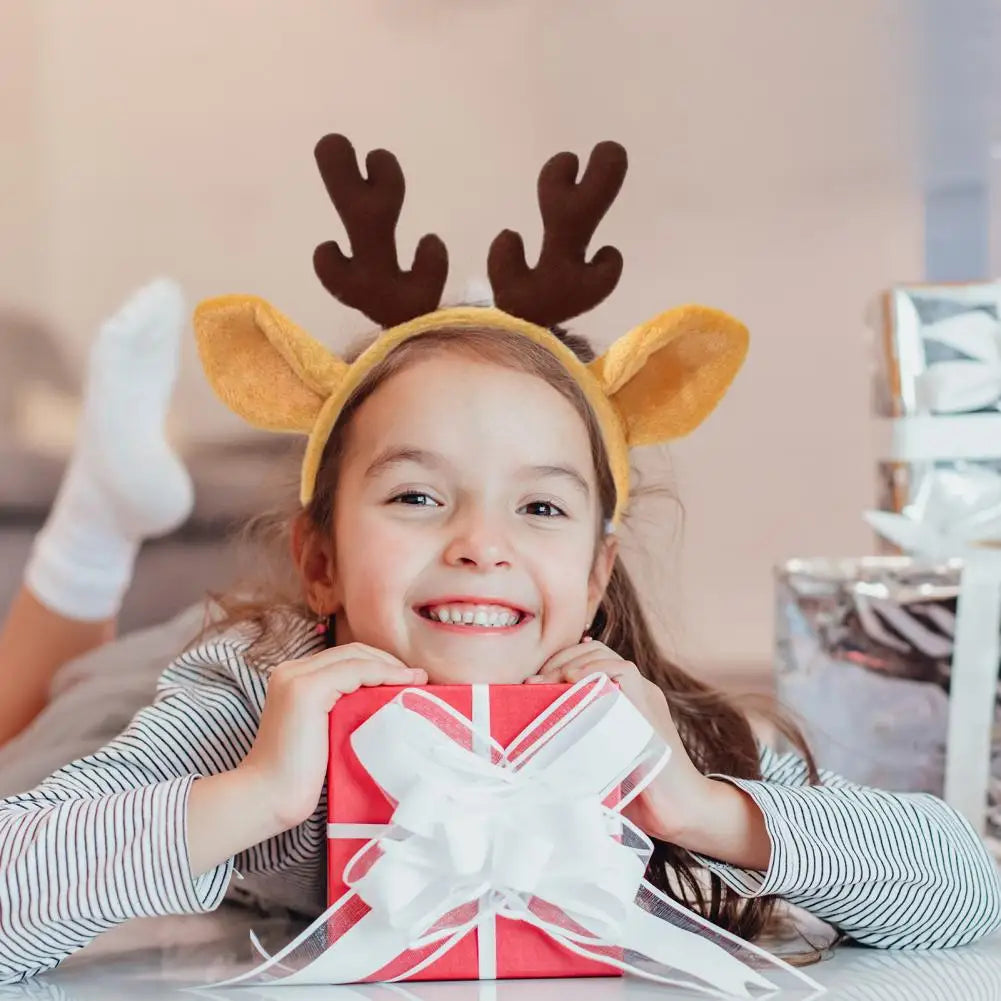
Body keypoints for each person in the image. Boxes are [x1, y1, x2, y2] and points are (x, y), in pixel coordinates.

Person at [1, 136, 998, 987]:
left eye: (538, 505)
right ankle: (93, 531)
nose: (482, 543)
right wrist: (251, 793)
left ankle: (110, 512)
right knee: (36, 722)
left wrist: (701, 804)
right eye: (416, 495)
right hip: (169, 663)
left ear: (596, 578)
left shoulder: (643, 723)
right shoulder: (240, 699)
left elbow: (968, 894)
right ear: (320, 558)